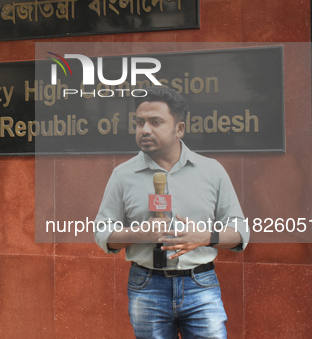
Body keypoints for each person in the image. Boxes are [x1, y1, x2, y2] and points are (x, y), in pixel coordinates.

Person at [94, 86, 249, 339]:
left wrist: (204, 237)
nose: (144, 130)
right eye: (139, 122)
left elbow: (240, 232)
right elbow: (103, 234)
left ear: (179, 129)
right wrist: (142, 233)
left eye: (155, 122)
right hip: (146, 286)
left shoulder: (212, 171)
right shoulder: (122, 175)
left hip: (201, 284)